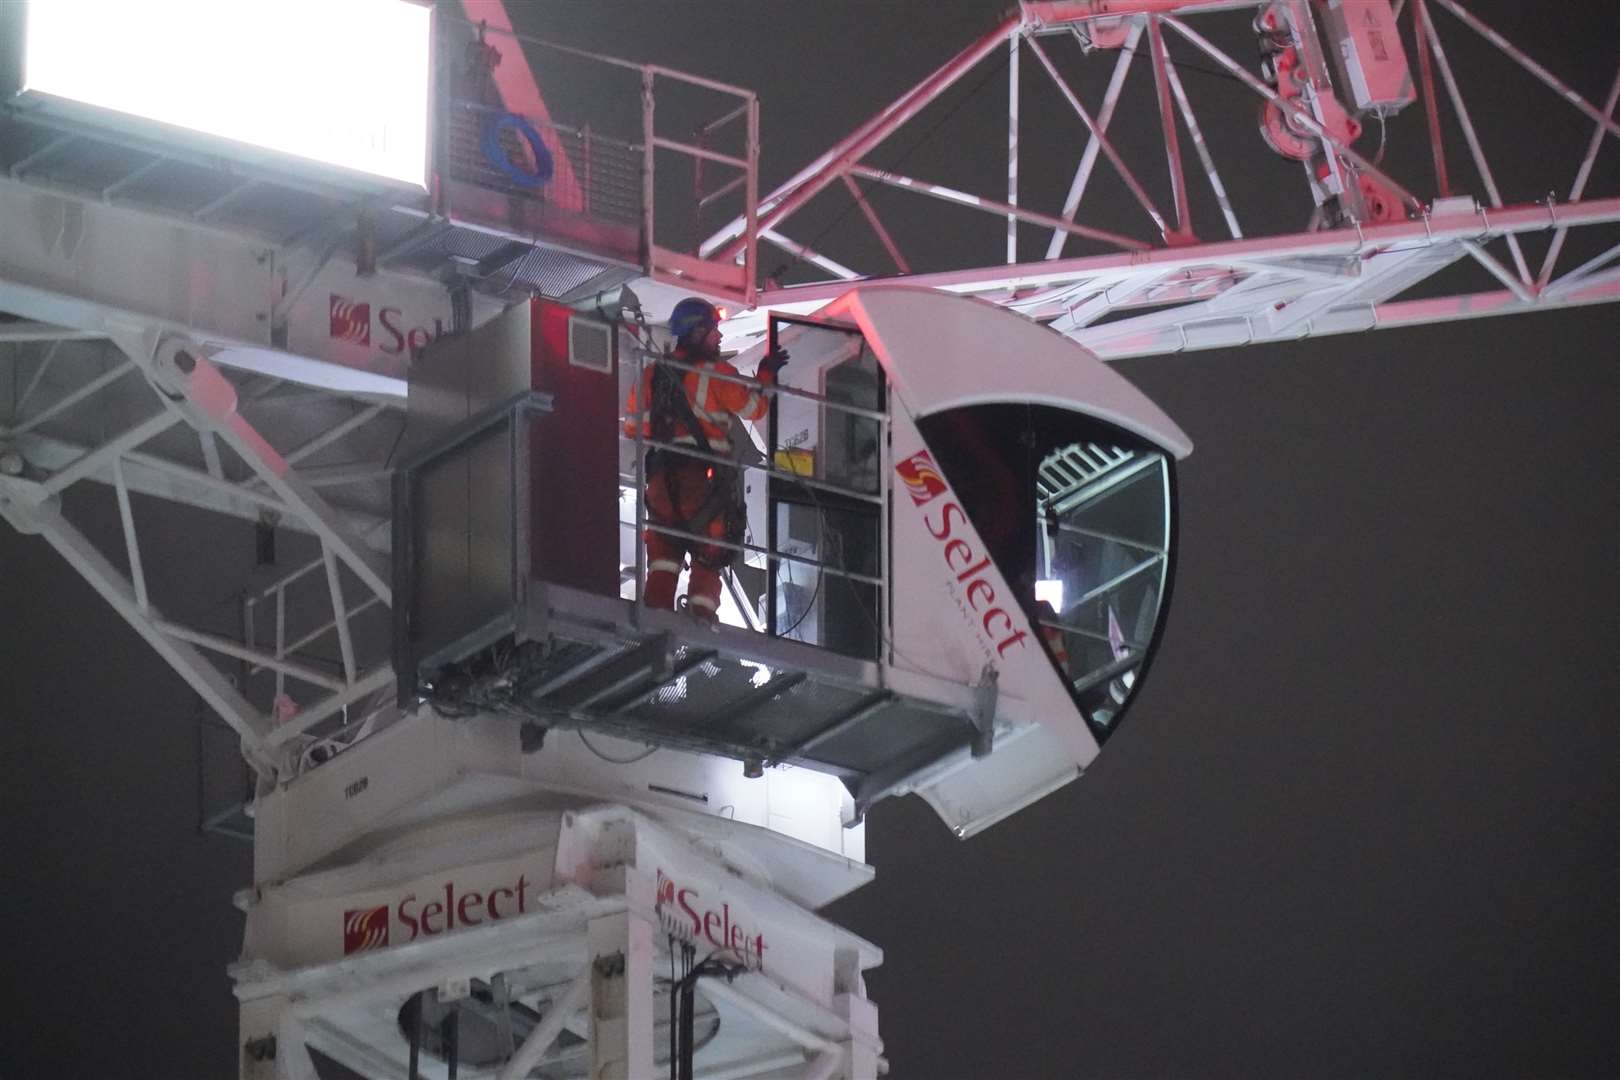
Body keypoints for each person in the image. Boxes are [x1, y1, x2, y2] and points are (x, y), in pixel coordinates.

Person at [624, 298, 788, 620]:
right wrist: (766, 376)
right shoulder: (716, 373)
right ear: (698, 331)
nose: (720, 338)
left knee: (663, 559)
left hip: (660, 482)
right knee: (711, 553)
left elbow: (632, 428)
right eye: (714, 330)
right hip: (703, 484)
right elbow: (754, 408)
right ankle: (701, 626)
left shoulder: (651, 375)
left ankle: (655, 623)